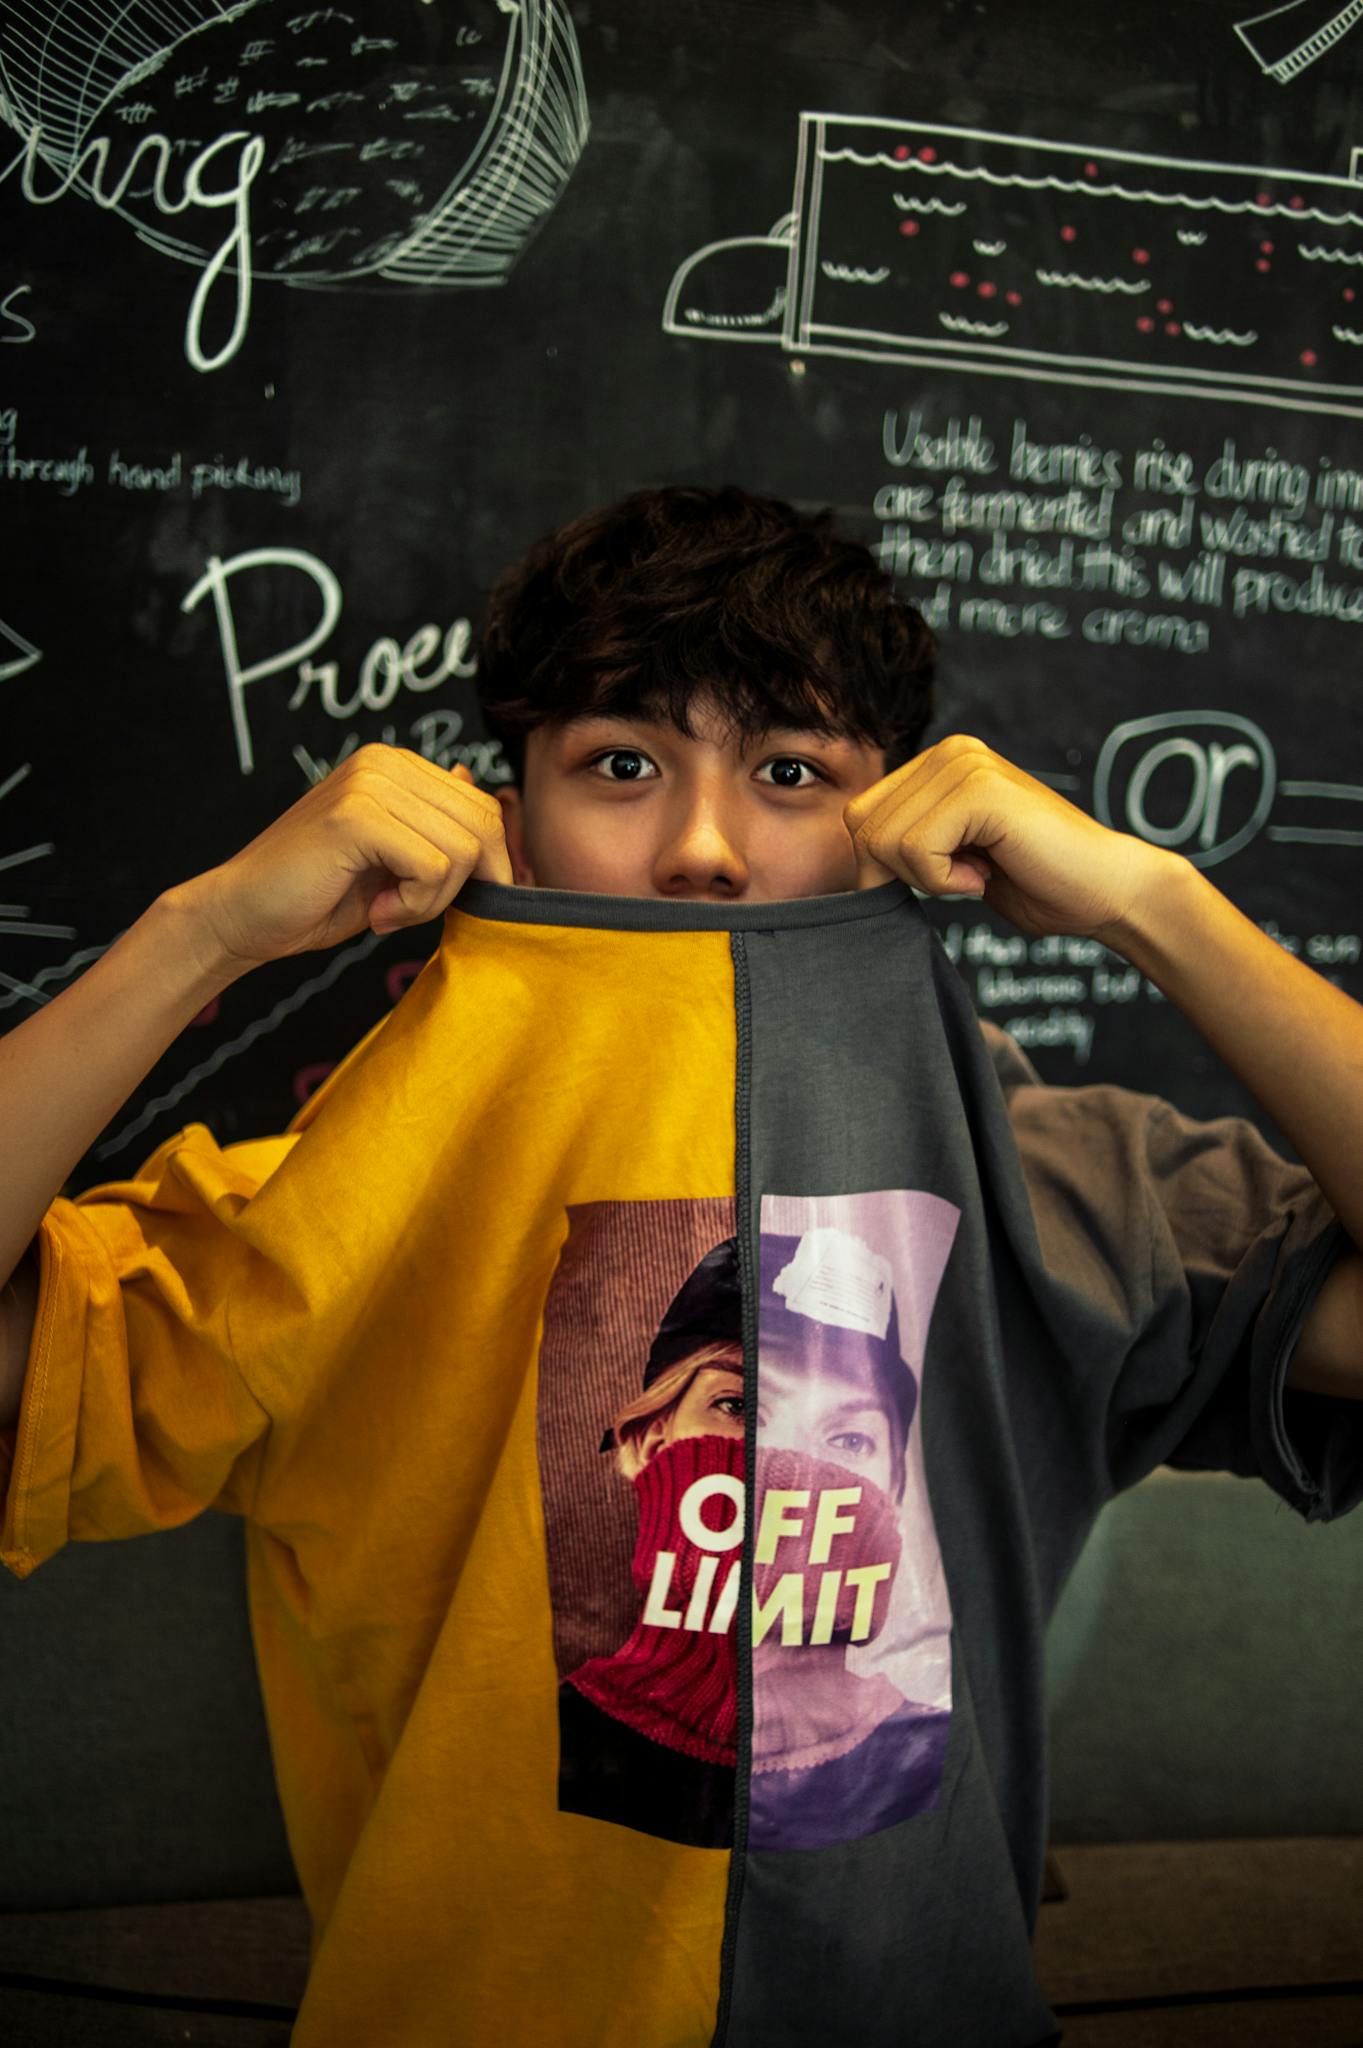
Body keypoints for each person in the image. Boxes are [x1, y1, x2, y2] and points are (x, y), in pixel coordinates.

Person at [1, 485, 1360, 2048]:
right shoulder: (338, 1202)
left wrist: (1159, 905)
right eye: (623, 766)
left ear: (901, 822)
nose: (706, 847)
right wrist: (200, 933)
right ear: (500, 811)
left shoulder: (1058, 1186)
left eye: (793, 773)